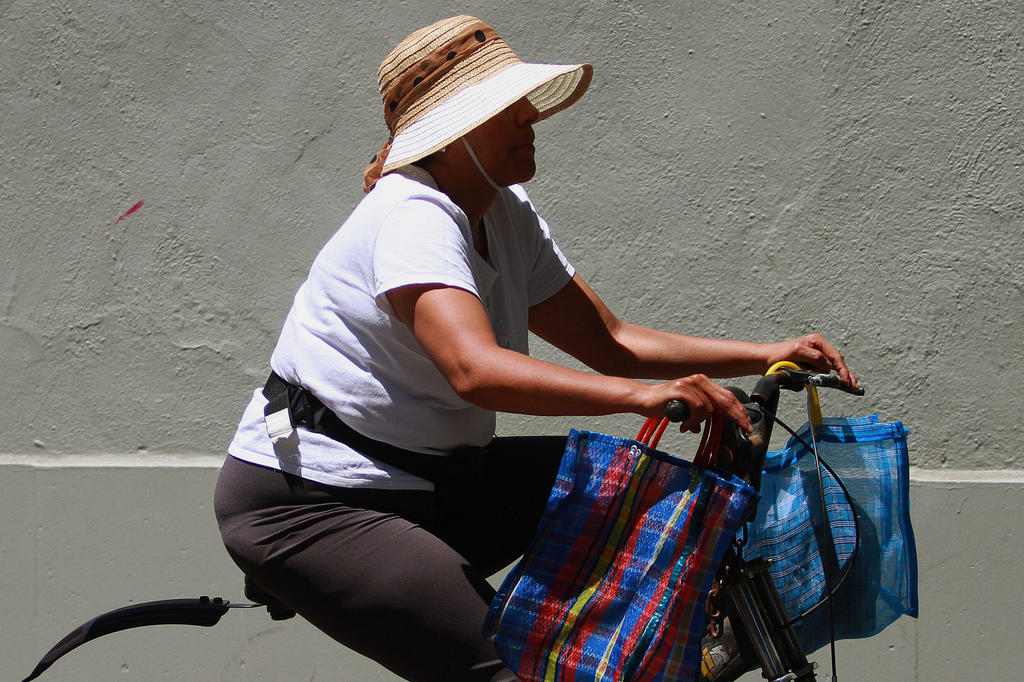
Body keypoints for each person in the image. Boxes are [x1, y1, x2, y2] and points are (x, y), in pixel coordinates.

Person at [214, 15, 858, 682]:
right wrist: (642, 398)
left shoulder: (503, 211)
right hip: (317, 504)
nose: (529, 117)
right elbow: (473, 369)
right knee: (508, 671)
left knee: (648, 494)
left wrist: (767, 352)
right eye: (505, 106)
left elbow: (611, 341)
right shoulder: (413, 215)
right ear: (454, 130)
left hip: (442, 483)